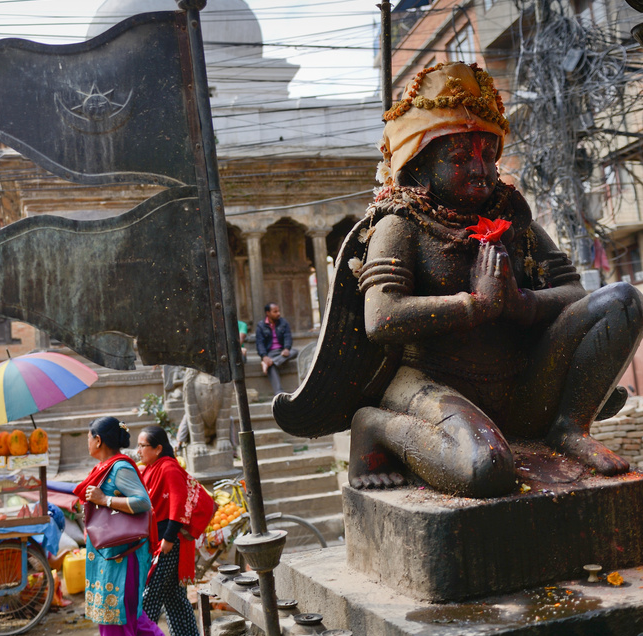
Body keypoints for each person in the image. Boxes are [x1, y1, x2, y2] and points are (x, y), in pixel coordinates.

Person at [273, 61, 643, 498]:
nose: (480, 169)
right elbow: (380, 317)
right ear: (422, 166)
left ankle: (568, 427)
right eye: (459, 157)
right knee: (485, 469)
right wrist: (475, 306)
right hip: (434, 384)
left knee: (622, 299)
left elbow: (574, 295)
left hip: (521, 385)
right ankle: (377, 425)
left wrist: (521, 303)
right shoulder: (402, 222)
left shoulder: (512, 218)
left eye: (488, 155)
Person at [73, 416, 180, 636]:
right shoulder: (105, 467)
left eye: (88, 435)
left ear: (98, 440)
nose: (87, 441)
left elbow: (142, 502)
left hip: (124, 554)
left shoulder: (119, 467)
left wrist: (104, 500)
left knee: (114, 617)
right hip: (110, 554)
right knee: (121, 613)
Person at [136, 426, 214, 636]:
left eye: (142, 446)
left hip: (168, 542)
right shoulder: (152, 468)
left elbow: (178, 507)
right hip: (162, 540)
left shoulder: (168, 468)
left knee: (150, 595)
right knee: (173, 595)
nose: (138, 450)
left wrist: (168, 539)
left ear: (158, 448)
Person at [256, 302, 298, 395]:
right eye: (275, 311)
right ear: (268, 313)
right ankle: (279, 393)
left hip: (282, 352)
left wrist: (287, 348)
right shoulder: (261, 325)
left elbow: (288, 337)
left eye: (278, 311)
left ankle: (271, 363)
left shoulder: (284, 322)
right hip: (270, 352)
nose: (278, 313)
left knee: (295, 352)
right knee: (270, 364)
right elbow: (260, 343)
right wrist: (264, 356)